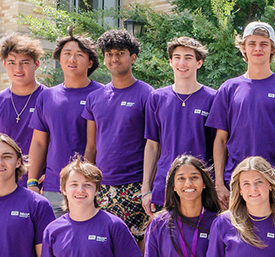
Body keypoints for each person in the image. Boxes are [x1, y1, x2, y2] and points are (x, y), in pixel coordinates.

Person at [208, 22, 275, 201]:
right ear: (243, 47)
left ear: (273, 49)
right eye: (252, 43)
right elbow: (220, 140)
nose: (257, 48)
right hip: (235, 182)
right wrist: (219, 184)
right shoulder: (229, 88)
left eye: (264, 44)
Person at [83, 29, 155, 238]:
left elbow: (153, 144)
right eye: (109, 54)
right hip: (103, 186)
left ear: (132, 57)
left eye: (120, 53)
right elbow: (91, 146)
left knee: (138, 250)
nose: (114, 59)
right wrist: (89, 182)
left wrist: (147, 186)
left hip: (135, 185)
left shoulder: (148, 94)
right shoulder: (94, 98)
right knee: (104, 248)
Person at [27, 34, 104, 213]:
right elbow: (39, 142)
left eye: (79, 54)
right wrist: (32, 182)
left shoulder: (102, 95)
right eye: (66, 53)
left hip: (91, 188)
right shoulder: (47, 96)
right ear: (59, 60)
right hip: (53, 188)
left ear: (90, 62)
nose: (72, 59)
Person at [143, 37, 218, 218]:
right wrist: (146, 188)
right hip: (165, 186)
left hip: (201, 187)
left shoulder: (213, 98)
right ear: (170, 62)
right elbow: (152, 145)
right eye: (177, 57)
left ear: (199, 63)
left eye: (188, 58)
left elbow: (219, 146)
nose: (182, 63)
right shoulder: (157, 98)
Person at [0, 34, 45, 189]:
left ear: (36, 64)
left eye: (24, 63)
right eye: (12, 63)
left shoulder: (50, 100)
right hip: (2, 188)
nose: (18, 69)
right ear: (5, 65)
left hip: (41, 188)